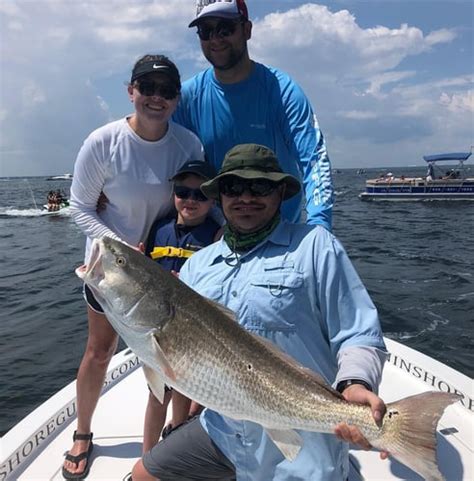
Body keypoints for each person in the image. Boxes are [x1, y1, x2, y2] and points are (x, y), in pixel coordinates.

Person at [131, 144, 387, 481]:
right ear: (220, 195)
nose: (245, 197)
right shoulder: (197, 266)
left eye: (260, 187)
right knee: (144, 474)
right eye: (234, 187)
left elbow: (358, 332)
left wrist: (354, 383)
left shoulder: (314, 245)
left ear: (281, 192)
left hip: (302, 438)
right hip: (222, 430)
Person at [63, 54, 204, 479]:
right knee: (99, 351)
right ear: (131, 92)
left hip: (169, 274)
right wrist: (124, 248)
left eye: (166, 91)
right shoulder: (102, 142)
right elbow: (79, 207)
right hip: (113, 272)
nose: (156, 97)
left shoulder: (188, 145)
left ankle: (174, 433)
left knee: (176, 360)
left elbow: (195, 200)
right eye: (148, 88)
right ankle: (83, 433)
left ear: (177, 99)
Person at [173, 0, 334, 230]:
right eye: (206, 31)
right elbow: (160, 154)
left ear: (247, 30)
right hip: (215, 235)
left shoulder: (282, 91)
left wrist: (320, 227)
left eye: (225, 29)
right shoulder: (188, 97)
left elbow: (314, 161)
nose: (215, 39)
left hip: (281, 234)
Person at [141, 159, 221, 453]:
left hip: (191, 330)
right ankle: (147, 456)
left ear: (212, 199)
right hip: (158, 327)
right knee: (156, 392)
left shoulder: (215, 234)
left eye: (200, 194)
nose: (190, 200)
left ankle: (177, 433)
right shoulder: (158, 227)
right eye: (182, 192)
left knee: (185, 388)